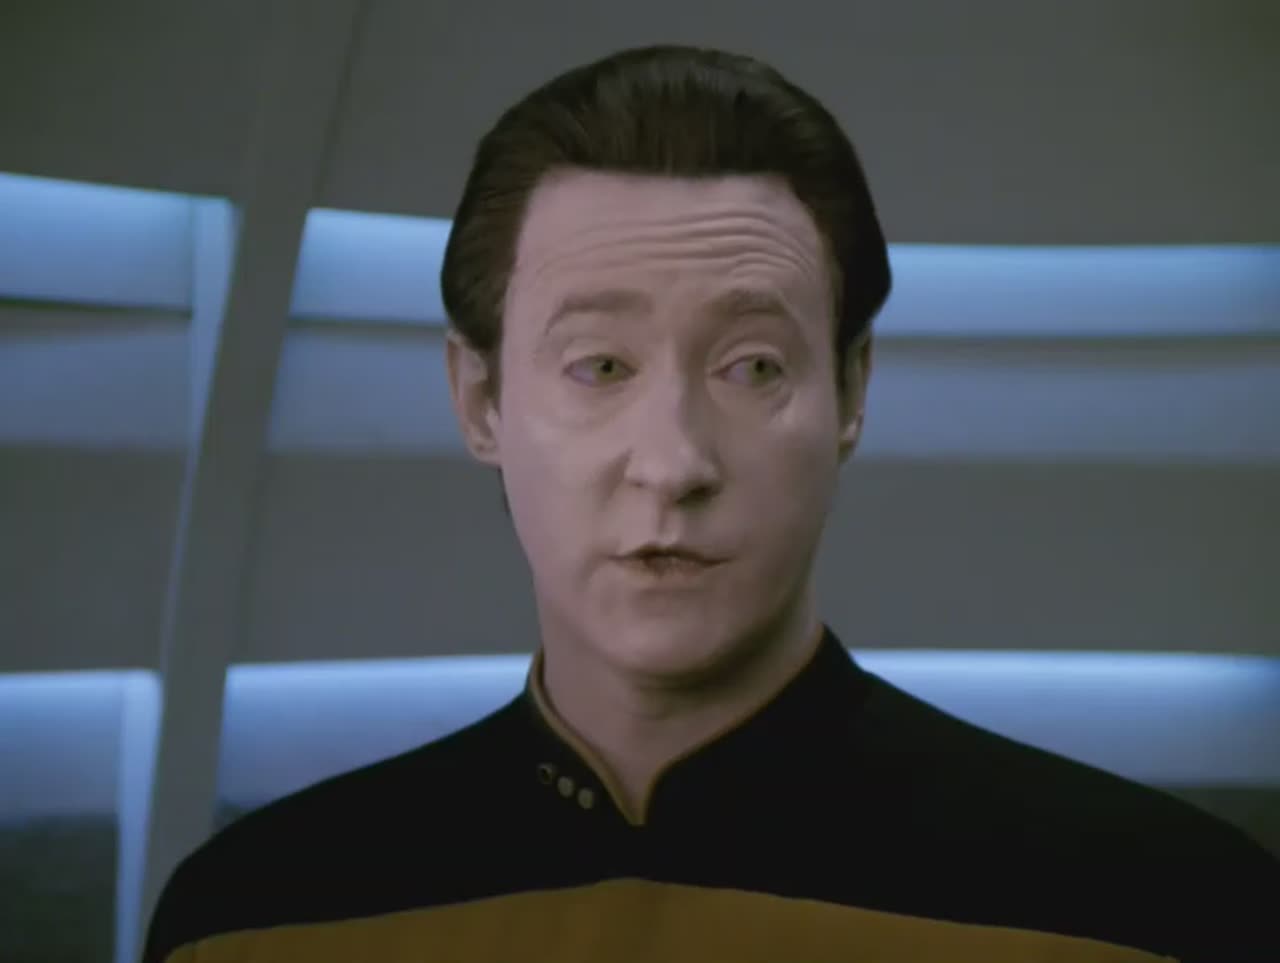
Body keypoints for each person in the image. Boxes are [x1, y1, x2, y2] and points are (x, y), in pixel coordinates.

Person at [143, 44, 1279, 963]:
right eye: (599, 366)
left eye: (751, 367)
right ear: (479, 400)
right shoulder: (257, 920)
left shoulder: (1155, 912)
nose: (673, 461)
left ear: (852, 392)